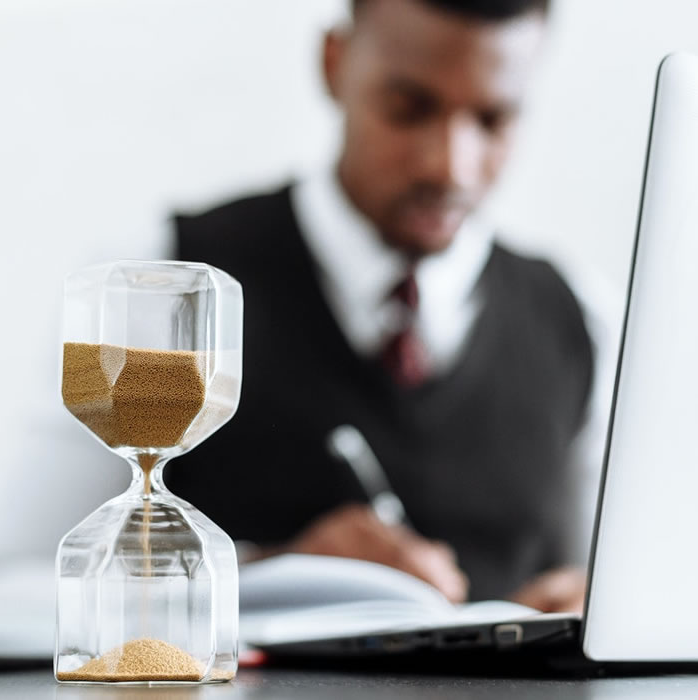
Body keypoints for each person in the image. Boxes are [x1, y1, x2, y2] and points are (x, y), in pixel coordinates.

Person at [169, 0, 612, 614]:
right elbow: (8, 594)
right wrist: (266, 576)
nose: (449, 166)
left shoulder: (581, 314)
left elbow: (613, 581)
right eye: (409, 109)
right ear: (334, 63)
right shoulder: (173, 284)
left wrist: (595, 605)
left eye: (493, 120)